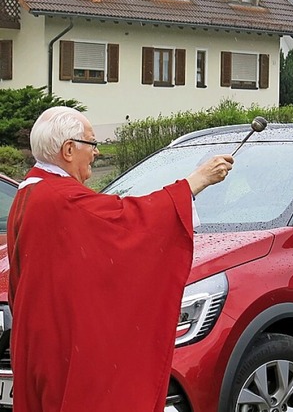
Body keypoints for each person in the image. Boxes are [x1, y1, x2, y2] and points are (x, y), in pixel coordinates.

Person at [7, 106, 234, 411]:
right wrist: (196, 182)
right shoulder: (60, 200)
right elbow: (128, 221)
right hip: (63, 348)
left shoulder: (30, 191)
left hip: (42, 341)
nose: (97, 152)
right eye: (92, 143)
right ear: (69, 149)